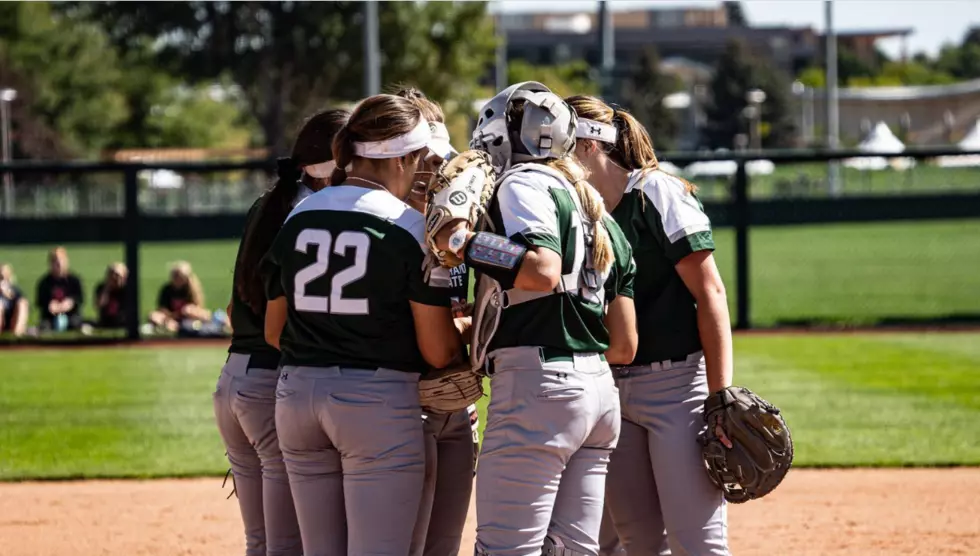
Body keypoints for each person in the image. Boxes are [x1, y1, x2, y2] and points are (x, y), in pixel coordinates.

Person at [434, 81, 637, 556]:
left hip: (539, 387)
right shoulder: (595, 207)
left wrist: (460, 242)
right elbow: (625, 342)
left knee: (508, 549)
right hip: (599, 392)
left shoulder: (523, 183)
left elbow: (541, 270)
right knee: (571, 550)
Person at [262, 94, 464, 556]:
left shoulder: (298, 214)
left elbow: (275, 333)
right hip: (374, 400)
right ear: (405, 157)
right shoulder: (410, 227)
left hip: (296, 398)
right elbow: (437, 352)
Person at [567, 95, 734, 555]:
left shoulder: (656, 192)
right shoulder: (578, 208)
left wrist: (719, 396)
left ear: (587, 146)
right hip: (610, 388)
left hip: (677, 386)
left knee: (697, 540)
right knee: (638, 542)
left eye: (559, 143)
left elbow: (711, 294)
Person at [213, 108, 349, 556]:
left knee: (263, 543)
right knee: (287, 546)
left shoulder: (267, 204)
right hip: (272, 382)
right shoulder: (314, 213)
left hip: (234, 381)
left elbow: (235, 308)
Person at [396, 86, 479, 556]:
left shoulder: (460, 226)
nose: (434, 172)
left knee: (444, 544)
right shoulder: (392, 229)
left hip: (457, 401)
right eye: (424, 161)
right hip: (404, 400)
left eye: (440, 161)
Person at [149, 261, 210, 332]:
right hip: (170, 317)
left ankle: (182, 326)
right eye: (174, 276)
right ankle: (173, 327)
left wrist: (187, 312)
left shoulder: (191, 289)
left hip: (187, 317)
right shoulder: (167, 289)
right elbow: (162, 309)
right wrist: (170, 318)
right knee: (154, 316)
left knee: (189, 311)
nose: (177, 279)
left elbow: (196, 307)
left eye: (179, 276)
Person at [36, 247, 84, 331]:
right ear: (50, 263)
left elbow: (79, 298)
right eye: (55, 261)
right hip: (50, 316)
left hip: (71, 315)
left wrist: (70, 303)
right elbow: (40, 302)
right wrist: (49, 305)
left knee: (75, 325)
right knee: (44, 327)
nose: (58, 263)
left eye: (61, 260)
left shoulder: (74, 280)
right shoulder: (44, 282)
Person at [94, 263, 129, 329]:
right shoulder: (102, 287)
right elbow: (99, 305)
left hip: (122, 320)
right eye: (111, 275)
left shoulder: (128, 289)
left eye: (117, 275)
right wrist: (107, 289)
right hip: (106, 320)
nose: (114, 278)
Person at [0, 264, 29, 337]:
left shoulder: (14, 290)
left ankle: (16, 337)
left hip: (12, 322)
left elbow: (23, 303)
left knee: (22, 304)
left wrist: (10, 294)